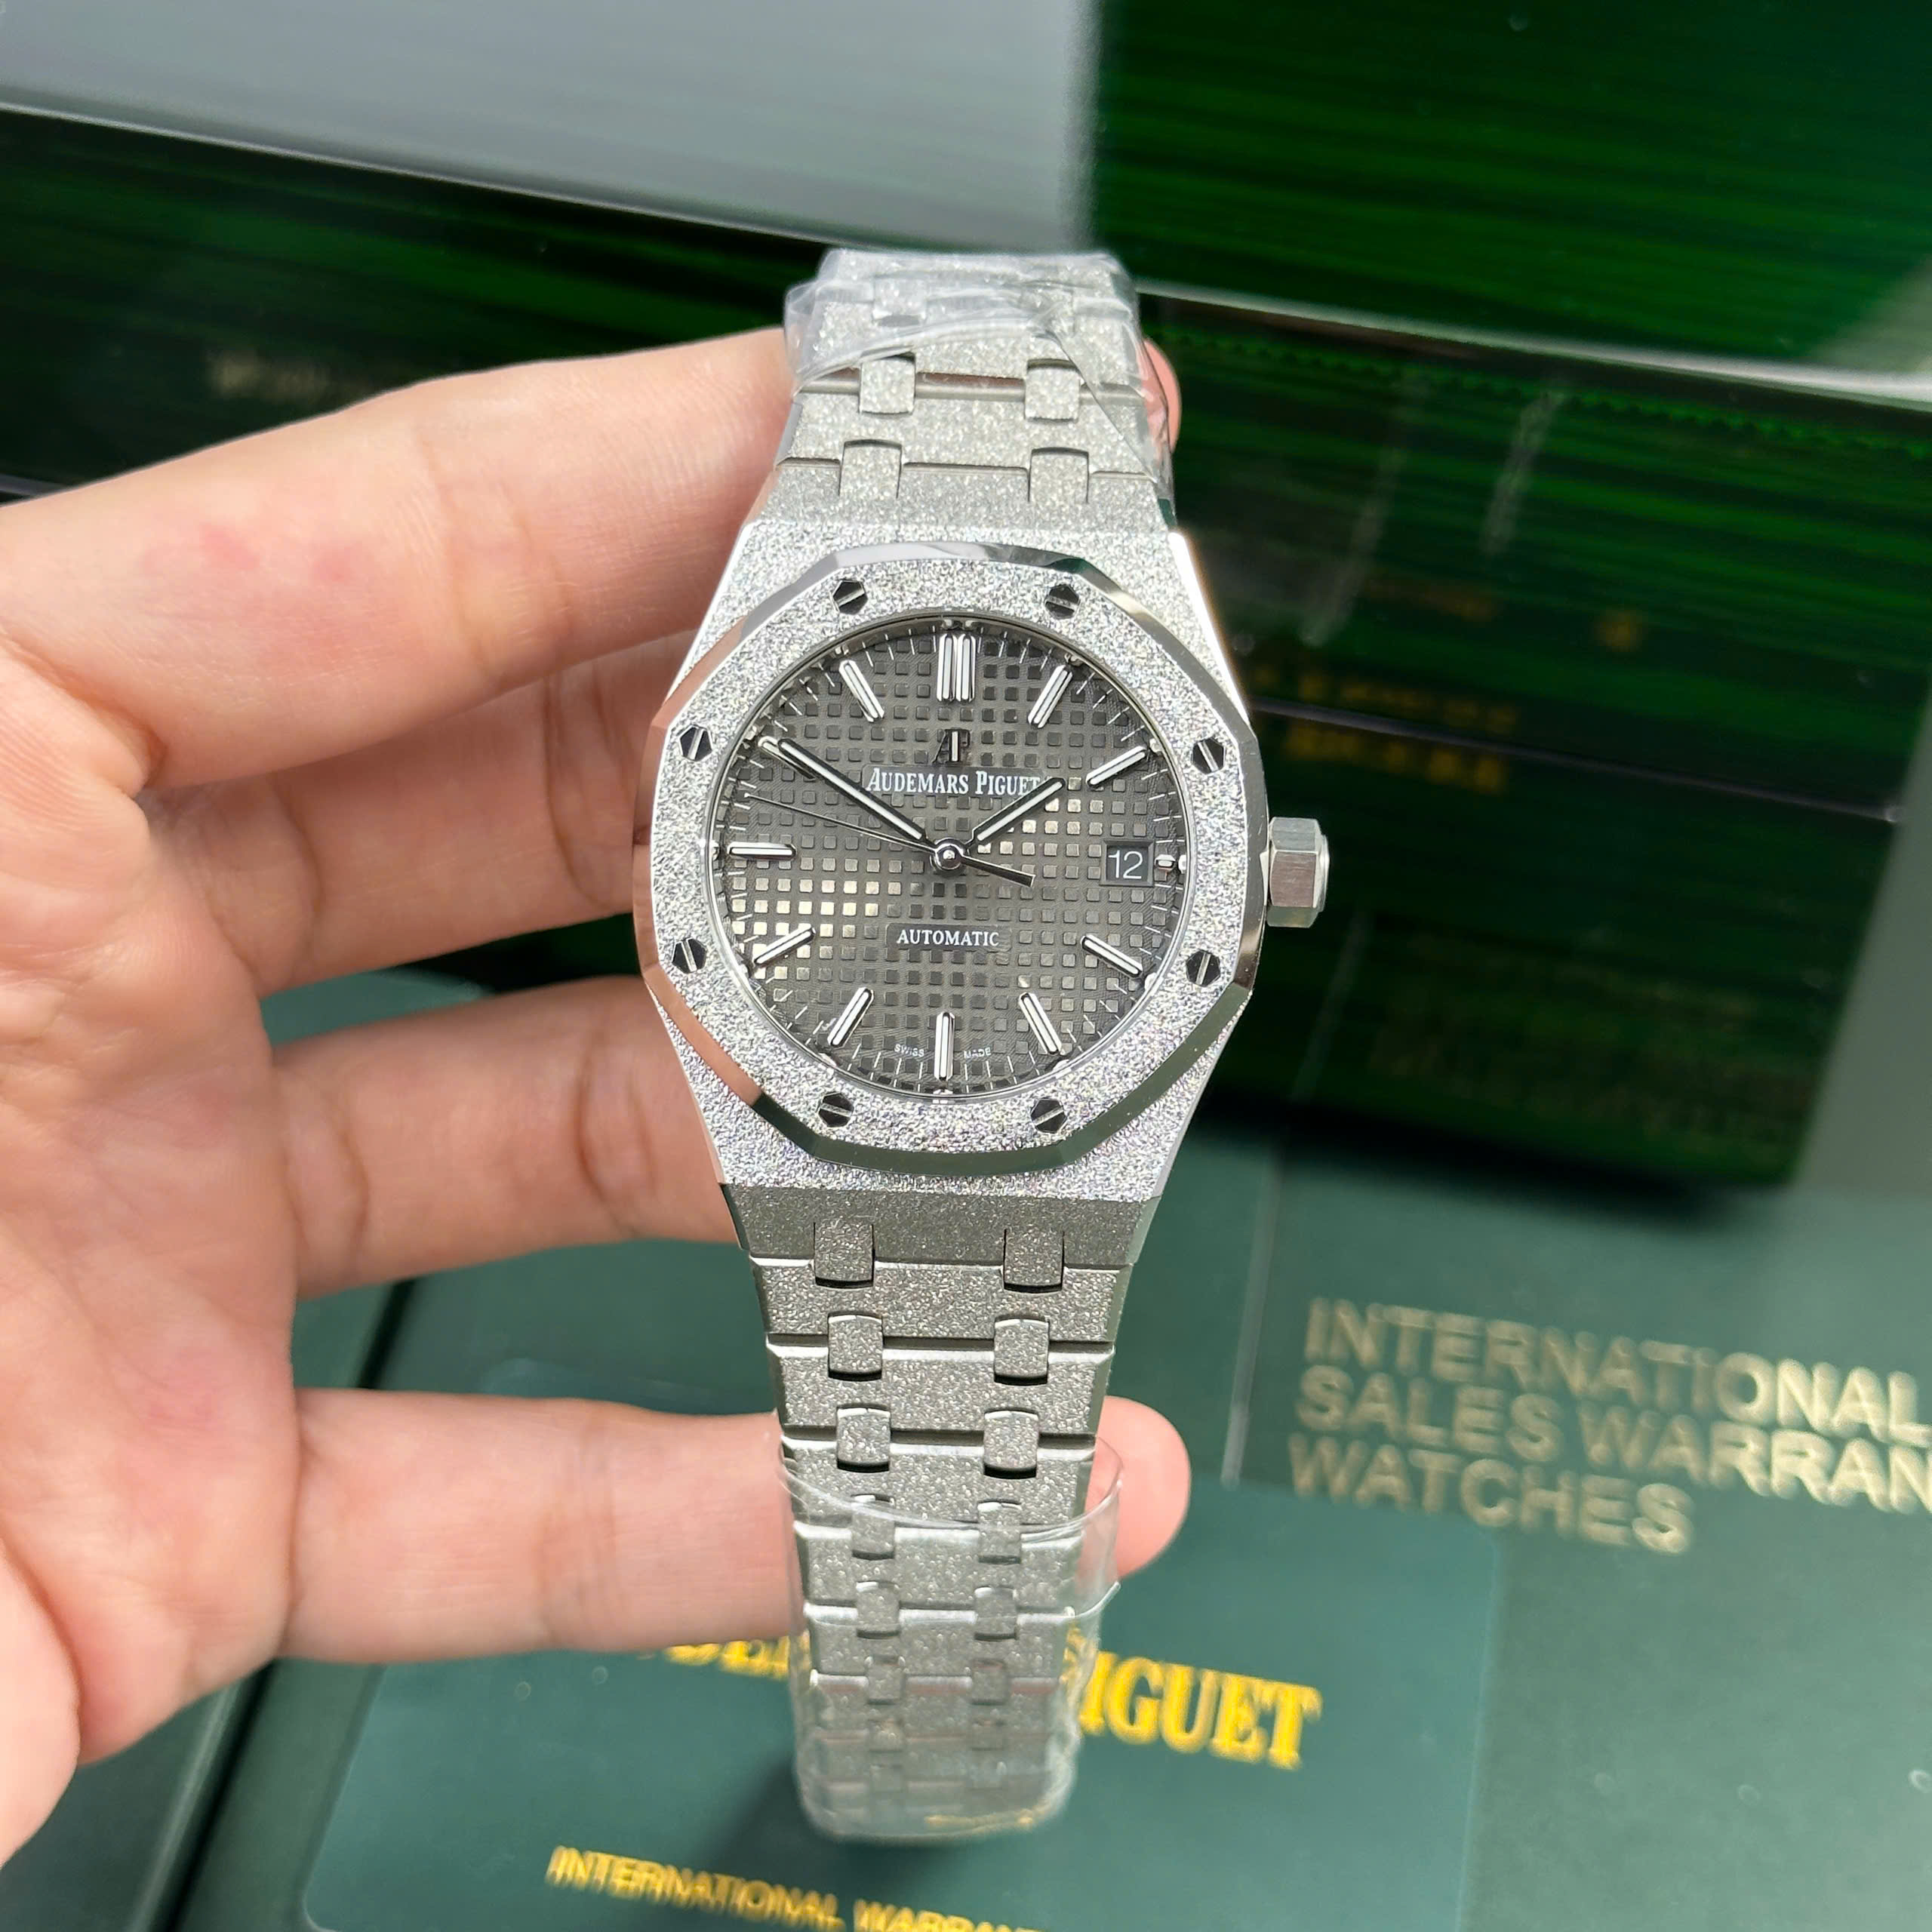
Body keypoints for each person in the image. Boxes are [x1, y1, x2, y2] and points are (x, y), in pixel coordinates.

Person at [0, 329, 1191, 1863]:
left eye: (970, 851)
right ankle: (933, 1767)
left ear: (1252, 877)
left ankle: (947, 1759)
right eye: (932, 848)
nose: (949, 863)